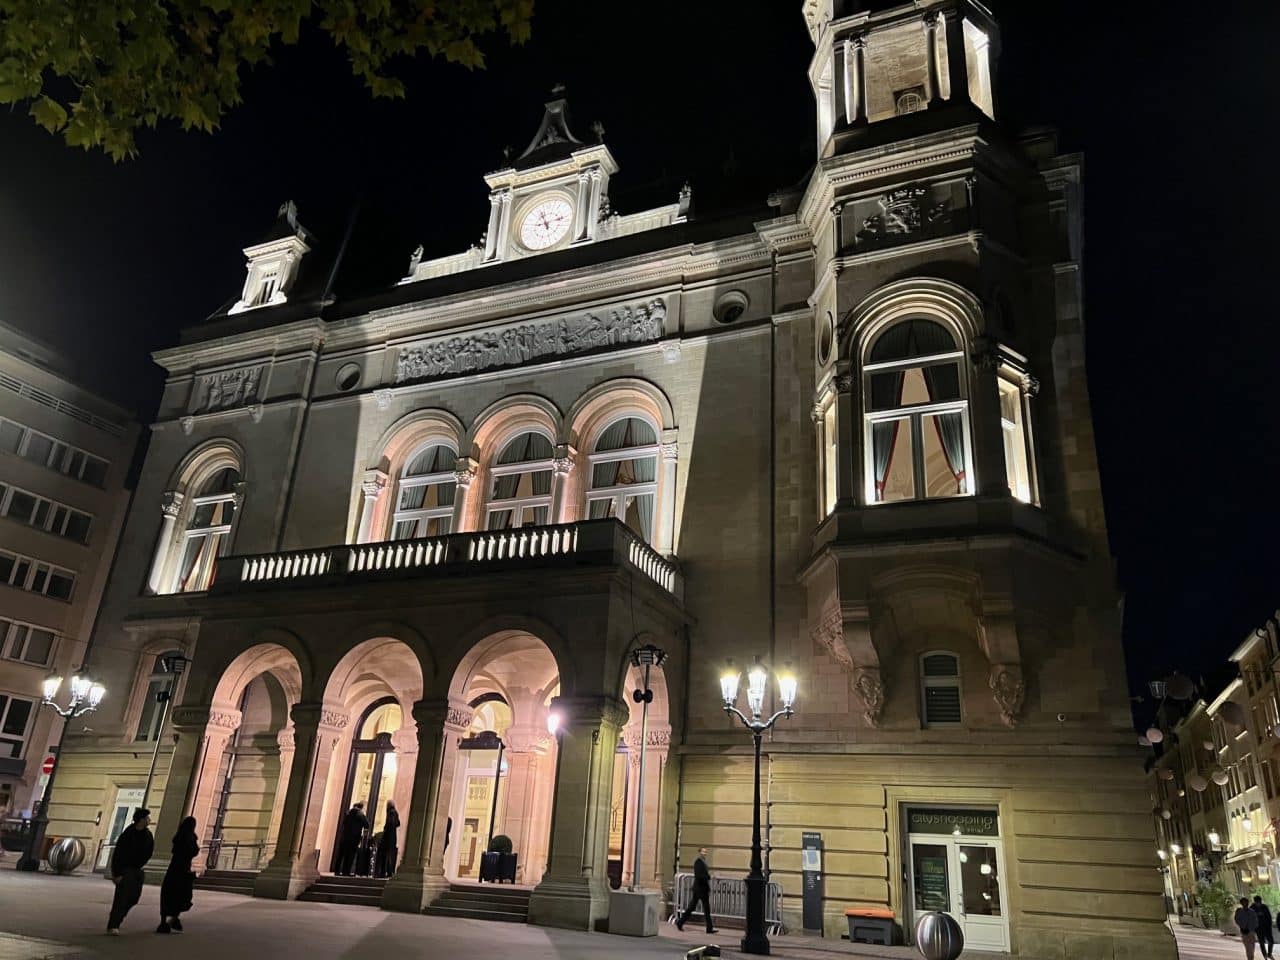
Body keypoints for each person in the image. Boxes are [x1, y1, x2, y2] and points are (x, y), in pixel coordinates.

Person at [107, 808, 155, 934]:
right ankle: (113, 924)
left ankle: (118, 917)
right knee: (121, 898)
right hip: (125, 870)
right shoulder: (128, 834)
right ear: (141, 820)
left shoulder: (148, 835)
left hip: (137, 870)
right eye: (147, 818)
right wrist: (116, 874)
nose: (149, 820)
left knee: (134, 898)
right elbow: (118, 854)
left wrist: (141, 863)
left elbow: (149, 851)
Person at [157, 817, 199, 934]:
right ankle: (174, 918)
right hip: (183, 870)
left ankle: (164, 921)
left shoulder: (178, 837)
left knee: (168, 895)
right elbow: (193, 851)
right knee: (182, 896)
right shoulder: (190, 838)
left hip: (173, 869)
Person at [676, 846, 718, 934]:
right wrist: (709, 877)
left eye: (706, 852)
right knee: (703, 908)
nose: (705, 853)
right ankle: (708, 928)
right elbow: (699, 875)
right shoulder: (698, 862)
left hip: (700, 888)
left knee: (695, 907)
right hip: (700, 889)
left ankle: (680, 922)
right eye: (703, 852)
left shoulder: (702, 862)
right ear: (699, 852)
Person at [335, 802, 369, 876]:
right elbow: (367, 824)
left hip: (345, 837)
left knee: (341, 854)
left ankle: (337, 871)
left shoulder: (348, 813)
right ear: (361, 808)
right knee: (350, 855)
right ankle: (346, 871)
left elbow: (344, 823)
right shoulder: (360, 814)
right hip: (354, 838)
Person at [376, 801, 400, 879]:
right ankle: (389, 872)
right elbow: (398, 823)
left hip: (388, 837)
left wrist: (385, 829)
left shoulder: (391, 812)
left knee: (385, 855)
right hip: (392, 837)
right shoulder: (395, 812)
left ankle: (384, 872)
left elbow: (391, 823)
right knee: (388, 855)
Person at [1255, 896, 1275, 960]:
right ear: (1255, 902)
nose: (1258, 903)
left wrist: (1270, 926)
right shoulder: (1252, 908)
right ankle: (1265, 956)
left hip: (1267, 928)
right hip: (1259, 929)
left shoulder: (1264, 907)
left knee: (1271, 941)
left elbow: (1269, 917)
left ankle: (1269, 954)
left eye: (1259, 902)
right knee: (1261, 942)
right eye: (1257, 902)